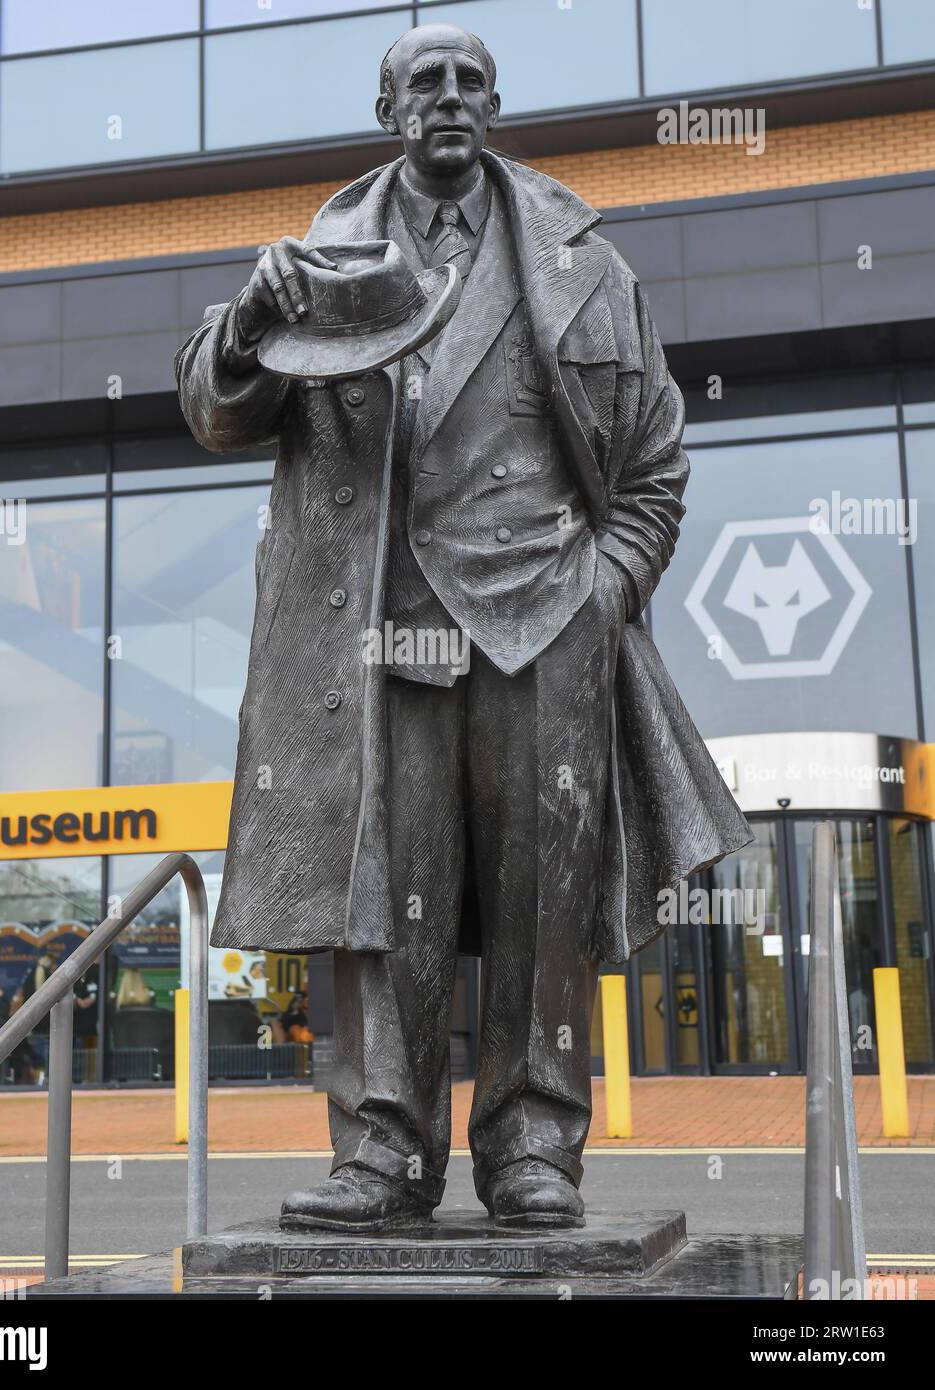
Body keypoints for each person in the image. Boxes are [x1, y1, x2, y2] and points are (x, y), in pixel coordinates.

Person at [176, 23, 749, 1231]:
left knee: (544, 898)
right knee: (382, 892)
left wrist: (607, 592)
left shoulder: (587, 265)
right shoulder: (318, 259)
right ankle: (381, 1151)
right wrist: (241, 325)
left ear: (494, 103)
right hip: (382, 634)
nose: (449, 99)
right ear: (387, 106)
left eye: (469, 82)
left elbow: (653, 468)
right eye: (424, 83)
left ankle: (534, 1143)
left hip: (544, 622)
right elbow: (216, 411)